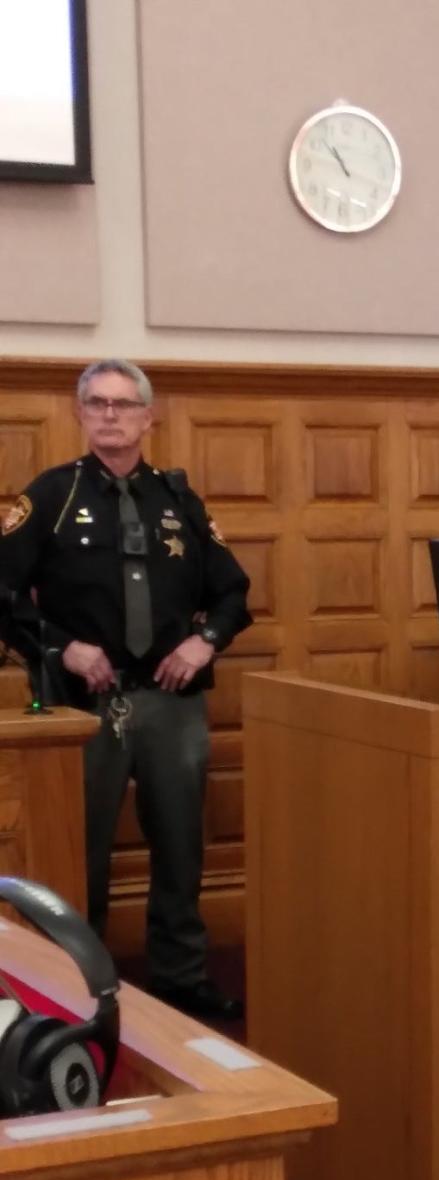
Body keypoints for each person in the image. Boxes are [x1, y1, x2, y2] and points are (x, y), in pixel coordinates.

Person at [0, 359, 251, 1020]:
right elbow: (2, 596)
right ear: (79, 414)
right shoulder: (50, 499)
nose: (110, 415)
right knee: (80, 854)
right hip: (82, 709)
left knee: (180, 844)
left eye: (123, 404)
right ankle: (76, 982)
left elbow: (233, 592)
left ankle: (181, 975)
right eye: (97, 404)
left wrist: (205, 642)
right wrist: (61, 646)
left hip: (170, 702)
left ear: (148, 417)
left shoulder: (177, 500)